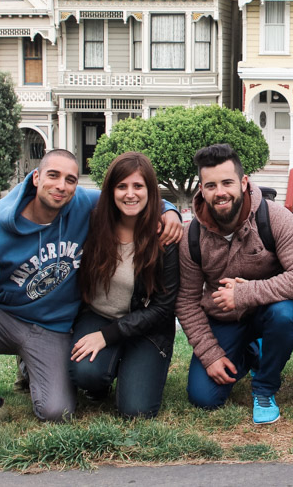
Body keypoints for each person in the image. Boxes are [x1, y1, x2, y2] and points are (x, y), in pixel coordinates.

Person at [0, 149, 182, 432]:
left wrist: (169, 211)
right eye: (53, 175)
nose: (61, 186)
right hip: (7, 319)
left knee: (55, 412)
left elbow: (133, 195)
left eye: (70, 179)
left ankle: (32, 366)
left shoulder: (82, 205)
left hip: (54, 330)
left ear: (76, 186)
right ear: (35, 178)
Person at [176, 143, 293, 424]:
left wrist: (246, 292)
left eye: (227, 182)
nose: (220, 192)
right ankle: (251, 354)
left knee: (285, 314)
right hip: (224, 319)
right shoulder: (190, 236)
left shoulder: (274, 217)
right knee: (204, 397)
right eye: (211, 185)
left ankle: (265, 387)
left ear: (243, 183)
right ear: (201, 190)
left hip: (269, 312)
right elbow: (186, 301)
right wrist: (210, 354)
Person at [70, 152, 179, 418]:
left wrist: (108, 337)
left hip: (148, 327)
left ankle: (133, 366)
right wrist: (103, 333)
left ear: (150, 190)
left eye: (138, 186)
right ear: (111, 191)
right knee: (85, 374)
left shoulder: (164, 235)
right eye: (122, 186)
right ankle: (103, 377)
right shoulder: (94, 223)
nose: (130, 194)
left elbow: (163, 308)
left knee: (136, 410)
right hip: (98, 316)